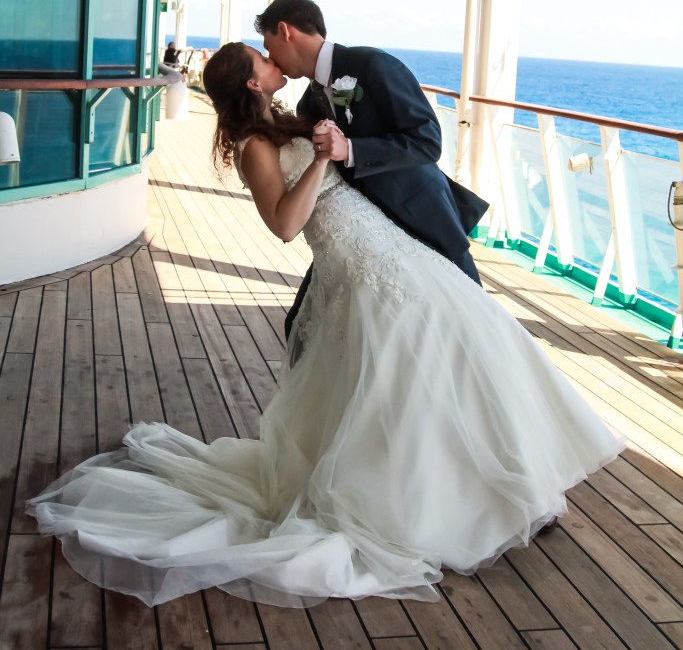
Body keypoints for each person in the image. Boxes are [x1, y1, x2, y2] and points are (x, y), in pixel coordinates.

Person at [26, 40, 625, 609]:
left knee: (467, 344)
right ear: (251, 82)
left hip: (393, 249)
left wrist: (335, 144)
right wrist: (319, 160)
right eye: (261, 58)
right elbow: (286, 225)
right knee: (413, 372)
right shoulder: (253, 145)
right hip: (358, 267)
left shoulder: (287, 119)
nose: (271, 60)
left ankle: (511, 487)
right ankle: (445, 502)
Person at [254, 0, 488, 338]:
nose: (270, 57)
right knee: (301, 330)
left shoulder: (373, 65)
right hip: (365, 236)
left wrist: (351, 149)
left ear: (286, 31)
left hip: (422, 218)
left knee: (474, 326)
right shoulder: (309, 104)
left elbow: (428, 140)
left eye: (268, 45)